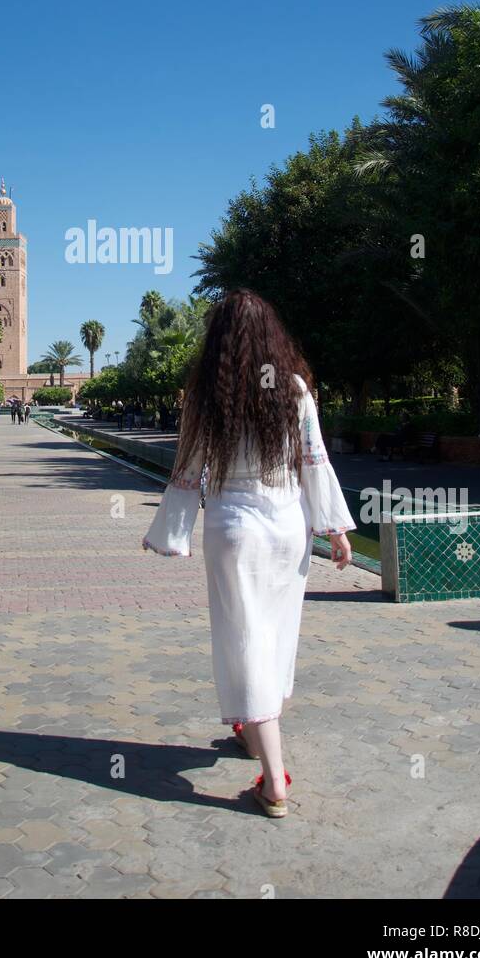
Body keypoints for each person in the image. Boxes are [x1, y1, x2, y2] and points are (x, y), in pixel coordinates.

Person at [142, 289, 355, 818]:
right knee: (277, 635)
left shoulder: (206, 394)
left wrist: (171, 531)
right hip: (289, 528)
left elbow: (187, 469)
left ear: (218, 341)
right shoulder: (297, 389)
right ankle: (253, 728)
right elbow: (315, 462)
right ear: (273, 337)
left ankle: (274, 780)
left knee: (245, 641)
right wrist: (336, 530)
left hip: (234, 528)